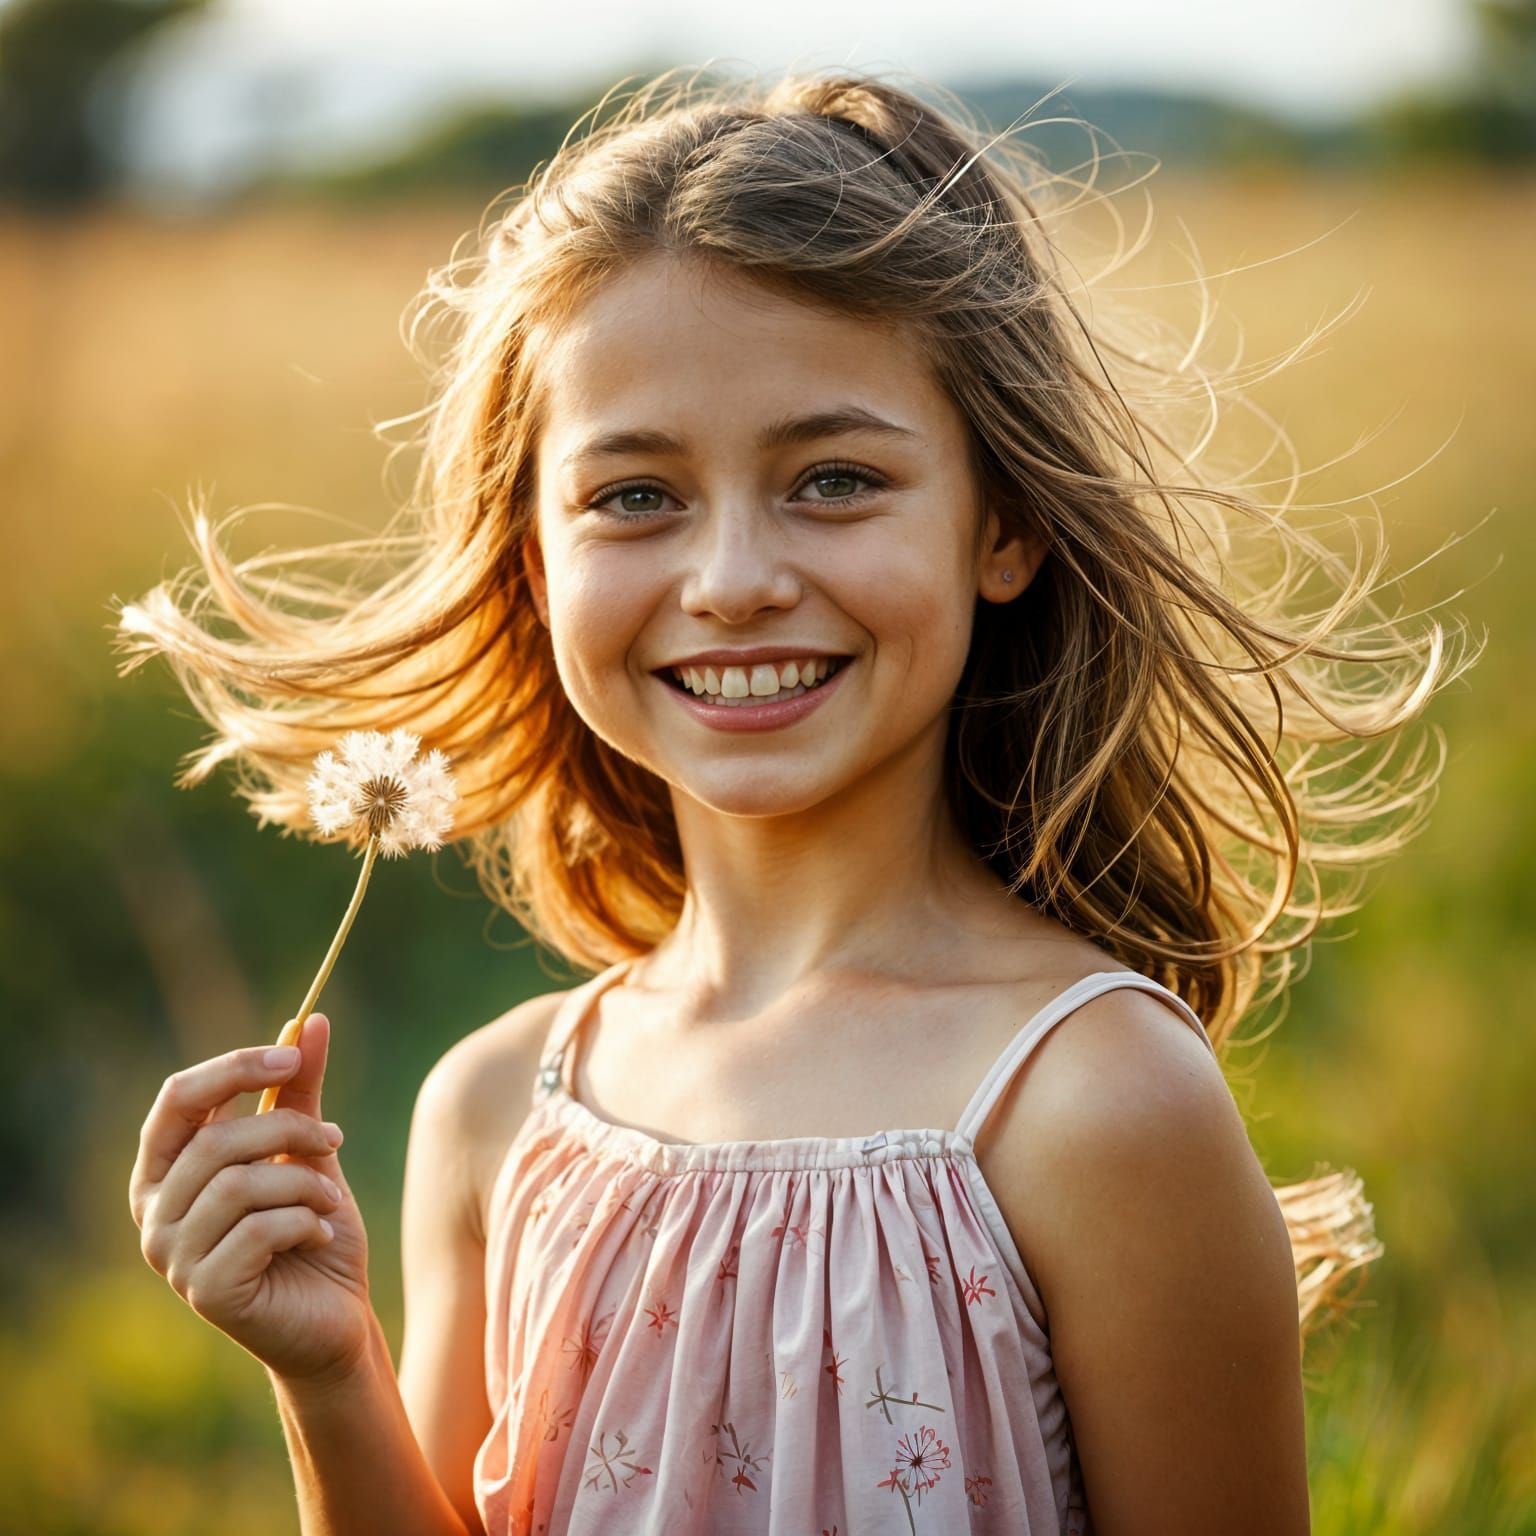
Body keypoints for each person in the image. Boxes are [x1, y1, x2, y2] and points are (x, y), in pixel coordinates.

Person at [119, 65, 1478, 1536]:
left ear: (1003, 523)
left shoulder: (1095, 1105)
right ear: (534, 556)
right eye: (635, 496)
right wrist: (329, 1377)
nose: (733, 580)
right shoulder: (497, 1112)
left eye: (832, 479)